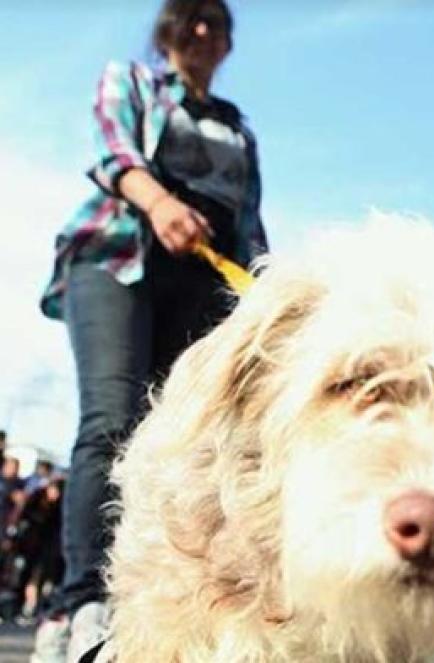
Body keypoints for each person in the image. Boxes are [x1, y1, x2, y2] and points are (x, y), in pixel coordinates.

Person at [32, 1, 267, 660]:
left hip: (205, 282)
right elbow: (114, 152)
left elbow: (251, 223)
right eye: (192, 21)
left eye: (217, 25)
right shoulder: (131, 81)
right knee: (111, 419)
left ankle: (146, 597)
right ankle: (79, 603)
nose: (204, 33)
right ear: (169, 31)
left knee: (178, 440)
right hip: (118, 256)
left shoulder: (238, 128)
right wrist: (161, 203)